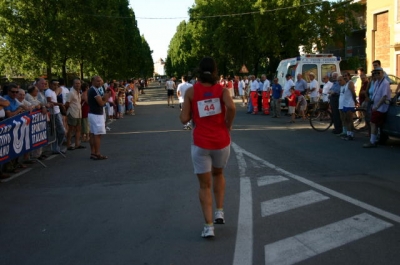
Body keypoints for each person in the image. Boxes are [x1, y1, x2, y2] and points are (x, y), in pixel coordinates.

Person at [179, 57, 236, 238]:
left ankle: (208, 227)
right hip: (221, 142)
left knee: (204, 185)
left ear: (199, 71)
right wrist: (227, 124)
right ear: (214, 71)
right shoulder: (222, 90)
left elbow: (184, 119)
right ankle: (220, 211)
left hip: (201, 143)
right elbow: (232, 107)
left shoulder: (191, 91)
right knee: (218, 174)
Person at [363, 67, 392, 148]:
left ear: (382, 73)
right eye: (375, 73)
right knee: (376, 124)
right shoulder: (376, 82)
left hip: (380, 107)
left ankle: (372, 141)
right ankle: (375, 139)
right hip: (375, 106)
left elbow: (384, 96)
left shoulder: (385, 83)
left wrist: (377, 106)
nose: (376, 75)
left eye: (378, 73)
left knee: (373, 123)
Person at [88, 76, 109, 160]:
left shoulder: (93, 90)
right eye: (97, 81)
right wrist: (106, 99)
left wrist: (103, 98)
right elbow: (101, 103)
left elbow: (100, 99)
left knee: (93, 134)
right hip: (96, 114)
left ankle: (93, 152)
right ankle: (97, 153)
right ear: (92, 81)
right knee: (97, 135)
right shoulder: (94, 90)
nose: (99, 83)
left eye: (100, 81)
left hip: (93, 114)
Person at [45, 80, 66, 154]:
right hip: (53, 113)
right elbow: (49, 101)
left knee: (59, 131)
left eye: (57, 85)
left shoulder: (53, 92)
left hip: (57, 112)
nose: (56, 86)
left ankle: (57, 147)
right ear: (50, 84)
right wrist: (59, 104)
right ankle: (55, 147)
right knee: (60, 131)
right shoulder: (48, 91)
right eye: (54, 85)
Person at [65, 78, 84, 150]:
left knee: (78, 128)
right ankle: (68, 144)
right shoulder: (71, 93)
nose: (78, 85)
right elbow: (67, 103)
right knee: (71, 129)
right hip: (72, 112)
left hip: (78, 113)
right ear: (73, 84)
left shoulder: (78, 92)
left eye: (79, 83)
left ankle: (77, 144)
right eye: (76, 83)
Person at [340, 73, 357, 141]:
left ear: (349, 76)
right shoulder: (346, 84)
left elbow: (353, 93)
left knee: (350, 120)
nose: (345, 77)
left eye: (346, 76)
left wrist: (355, 101)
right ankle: (348, 133)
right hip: (345, 104)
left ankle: (351, 135)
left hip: (349, 104)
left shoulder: (350, 83)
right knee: (346, 120)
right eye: (343, 76)